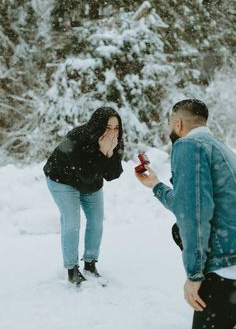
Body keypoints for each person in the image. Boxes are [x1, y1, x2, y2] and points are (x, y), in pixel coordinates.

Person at [135, 99, 236, 329]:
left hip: (224, 268)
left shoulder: (188, 147)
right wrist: (156, 185)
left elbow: (194, 216)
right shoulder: (220, 149)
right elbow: (190, 204)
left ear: (178, 123)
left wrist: (194, 276)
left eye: (170, 123)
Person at [44, 107, 124, 286]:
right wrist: (102, 152)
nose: (112, 133)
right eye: (107, 127)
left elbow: (113, 174)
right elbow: (85, 174)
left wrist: (110, 153)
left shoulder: (114, 141)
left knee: (96, 220)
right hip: (62, 179)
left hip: (91, 184)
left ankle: (90, 263)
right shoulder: (77, 138)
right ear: (97, 125)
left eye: (116, 128)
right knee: (72, 222)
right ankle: (72, 269)